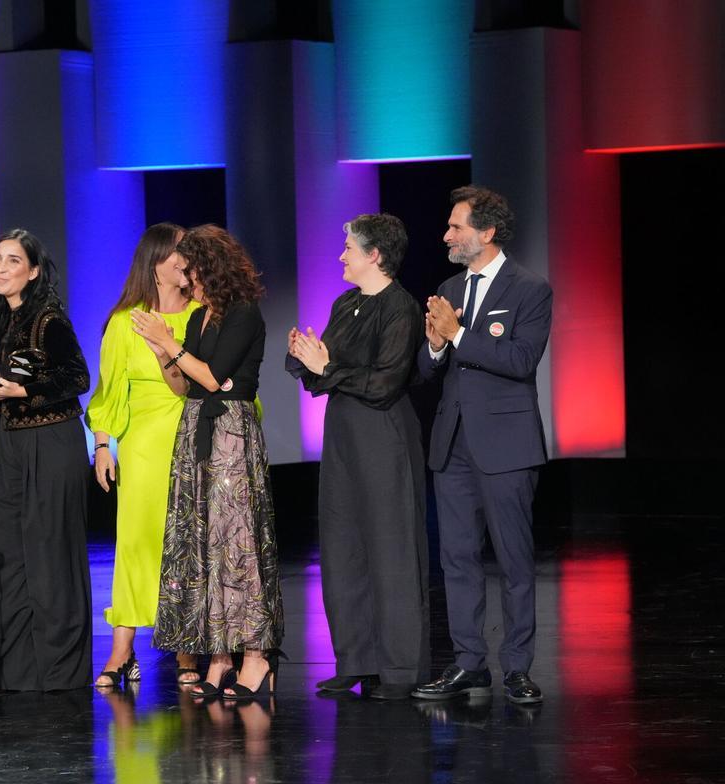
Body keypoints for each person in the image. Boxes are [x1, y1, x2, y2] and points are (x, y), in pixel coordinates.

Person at [412, 186, 552, 705]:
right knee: (457, 558)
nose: (446, 235)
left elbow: (520, 361)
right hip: (453, 445)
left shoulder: (530, 289)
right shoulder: (450, 286)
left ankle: (517, 668)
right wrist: (434, 344)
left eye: (456, 227)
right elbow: (429, 370)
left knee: (513, 560)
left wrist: (458, 334)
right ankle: (469, 663)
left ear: (487, 232)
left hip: (507, 446)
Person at [133, 224, 284, 700]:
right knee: (203, 543)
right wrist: (163, 353)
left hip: (230, 434)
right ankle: (219, 656)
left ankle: (256, 655)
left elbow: (216, 378)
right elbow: (185, 385)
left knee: (236, 542)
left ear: (210, 268)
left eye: (189, 270)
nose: (185, 279)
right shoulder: (200, 317)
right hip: (197, 430)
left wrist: (171, 344)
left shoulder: (243, 313)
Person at [286, 213, 429, 701]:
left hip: (383, 434)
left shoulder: (401, 308)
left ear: (375, 255)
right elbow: (324, 372)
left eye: (349, 248)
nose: (341, 256)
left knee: (391, 547)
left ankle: (400, 667)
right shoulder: (346, 302)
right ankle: (356, 659)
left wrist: (327, 367)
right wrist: (306, 357)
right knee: (343, 544)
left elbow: (386, 383)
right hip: (344, 433)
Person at [0, 229, 93, 692]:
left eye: (13, 261)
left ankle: (58, 670)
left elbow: (77, 376)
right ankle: (13, 669)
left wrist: (24, 390)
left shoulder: (48, 319)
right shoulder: (7, 317)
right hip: (10, 444)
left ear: (34, 271)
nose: (1, 268)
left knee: (49, 554)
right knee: (7, 556)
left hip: (51, 443)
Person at [86, 223, 202, 688]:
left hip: (192, 439)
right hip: (143, 447)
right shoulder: (125, 321)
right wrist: (102, 445)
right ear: (155, 262)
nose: (187, 259)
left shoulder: (201, 315)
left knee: (186, 543)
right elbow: (109, 390)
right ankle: (122, 649)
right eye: (179, 252)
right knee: (136, 543)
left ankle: (186, 647)